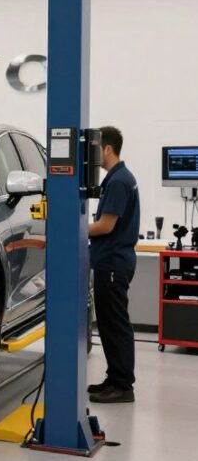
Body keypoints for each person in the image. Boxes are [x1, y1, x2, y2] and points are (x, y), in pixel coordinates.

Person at [87, 125, 140, 404]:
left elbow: (106, 226)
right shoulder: (118, 178)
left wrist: (73, 230)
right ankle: (114, 377)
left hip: (113, 263)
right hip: (113, 261)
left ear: (107, 148)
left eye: (95, 149)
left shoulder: (119, 181)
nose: (92, 155)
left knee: (115, 324)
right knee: (109, 324)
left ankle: (123, 386)